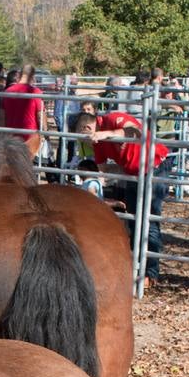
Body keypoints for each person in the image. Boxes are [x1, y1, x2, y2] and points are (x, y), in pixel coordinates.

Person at [74, 108, 171, 288]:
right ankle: (136, 268)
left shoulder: (112, 119)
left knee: (149, 220)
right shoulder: (97, 143)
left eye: (81, 133)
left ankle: (151, 273)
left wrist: (106, 134)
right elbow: (101, 172)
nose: (83, 139)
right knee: (133, 220)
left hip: (155, 165)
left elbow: (135, 131)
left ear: (87, 127)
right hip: (133, 173)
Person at [0, 64, 43, 136]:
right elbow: (40, 117)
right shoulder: (35, 92)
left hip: (11, 138)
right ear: (33, 76)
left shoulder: (7, 92)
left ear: (20, 74)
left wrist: (2, 136)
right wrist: (45, 133)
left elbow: (2, 118)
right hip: (30, 139)